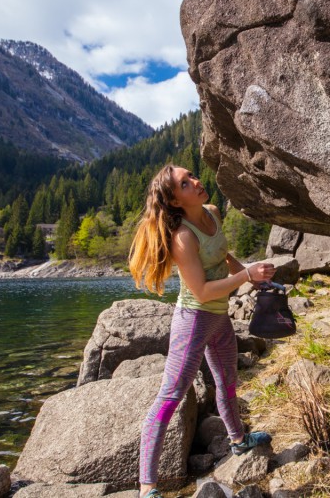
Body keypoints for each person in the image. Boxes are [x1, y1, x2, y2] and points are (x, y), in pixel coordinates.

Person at [129, 164, 276, 498]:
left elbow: (224, 255)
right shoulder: (182, 236)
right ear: (175, 200)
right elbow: (203, 291)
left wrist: (254, 276)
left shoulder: (210, 212)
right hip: (193, 322)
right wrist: (247, 277)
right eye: (185, 183)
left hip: (220, 318)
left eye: (192, 176)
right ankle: (147, 488)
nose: (196, 182)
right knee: (170, 398)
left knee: (227, 382)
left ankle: (239, 441)